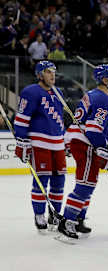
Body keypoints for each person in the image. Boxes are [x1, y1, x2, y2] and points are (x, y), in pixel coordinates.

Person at [57, 64, 108, 242]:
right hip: (86, 143)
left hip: (80, 141)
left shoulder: (93, 95)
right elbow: (93, 129)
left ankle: (78, 218)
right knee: (86, 182)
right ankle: (67, 220)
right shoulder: (103, 99)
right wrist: (103, 149)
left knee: (88, 181)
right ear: (105, 80)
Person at [13, 61, 66, 233]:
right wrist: (22, 141)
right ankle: (39, 215)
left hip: (58, 144)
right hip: (39, 144)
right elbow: (21, 118)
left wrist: (66, 140)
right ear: (39, 74)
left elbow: (60, 119)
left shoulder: (59, 92)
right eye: (48, 72)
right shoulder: (31, 92)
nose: (52, 75)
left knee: (59, 182)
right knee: (41, 181)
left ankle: (55, 214)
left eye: (54, 72)